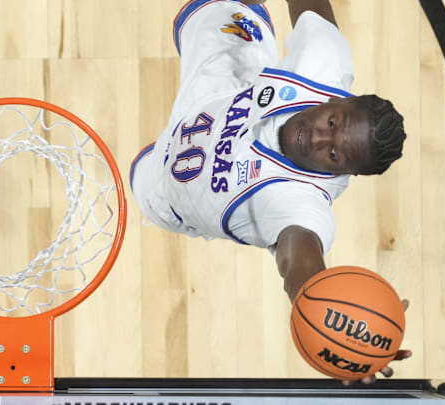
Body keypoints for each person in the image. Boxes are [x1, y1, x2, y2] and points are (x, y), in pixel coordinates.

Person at [130, 0, 410, 384]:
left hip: (168, 185)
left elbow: (301, 268)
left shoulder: (300, 207)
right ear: (338, 98)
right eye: (331, 121)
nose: (319, 136)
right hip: (221, 90)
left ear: (342, 175)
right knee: (226, 8)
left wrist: (343, 330)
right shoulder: (323, 60)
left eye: (333, 153)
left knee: (135, 183)